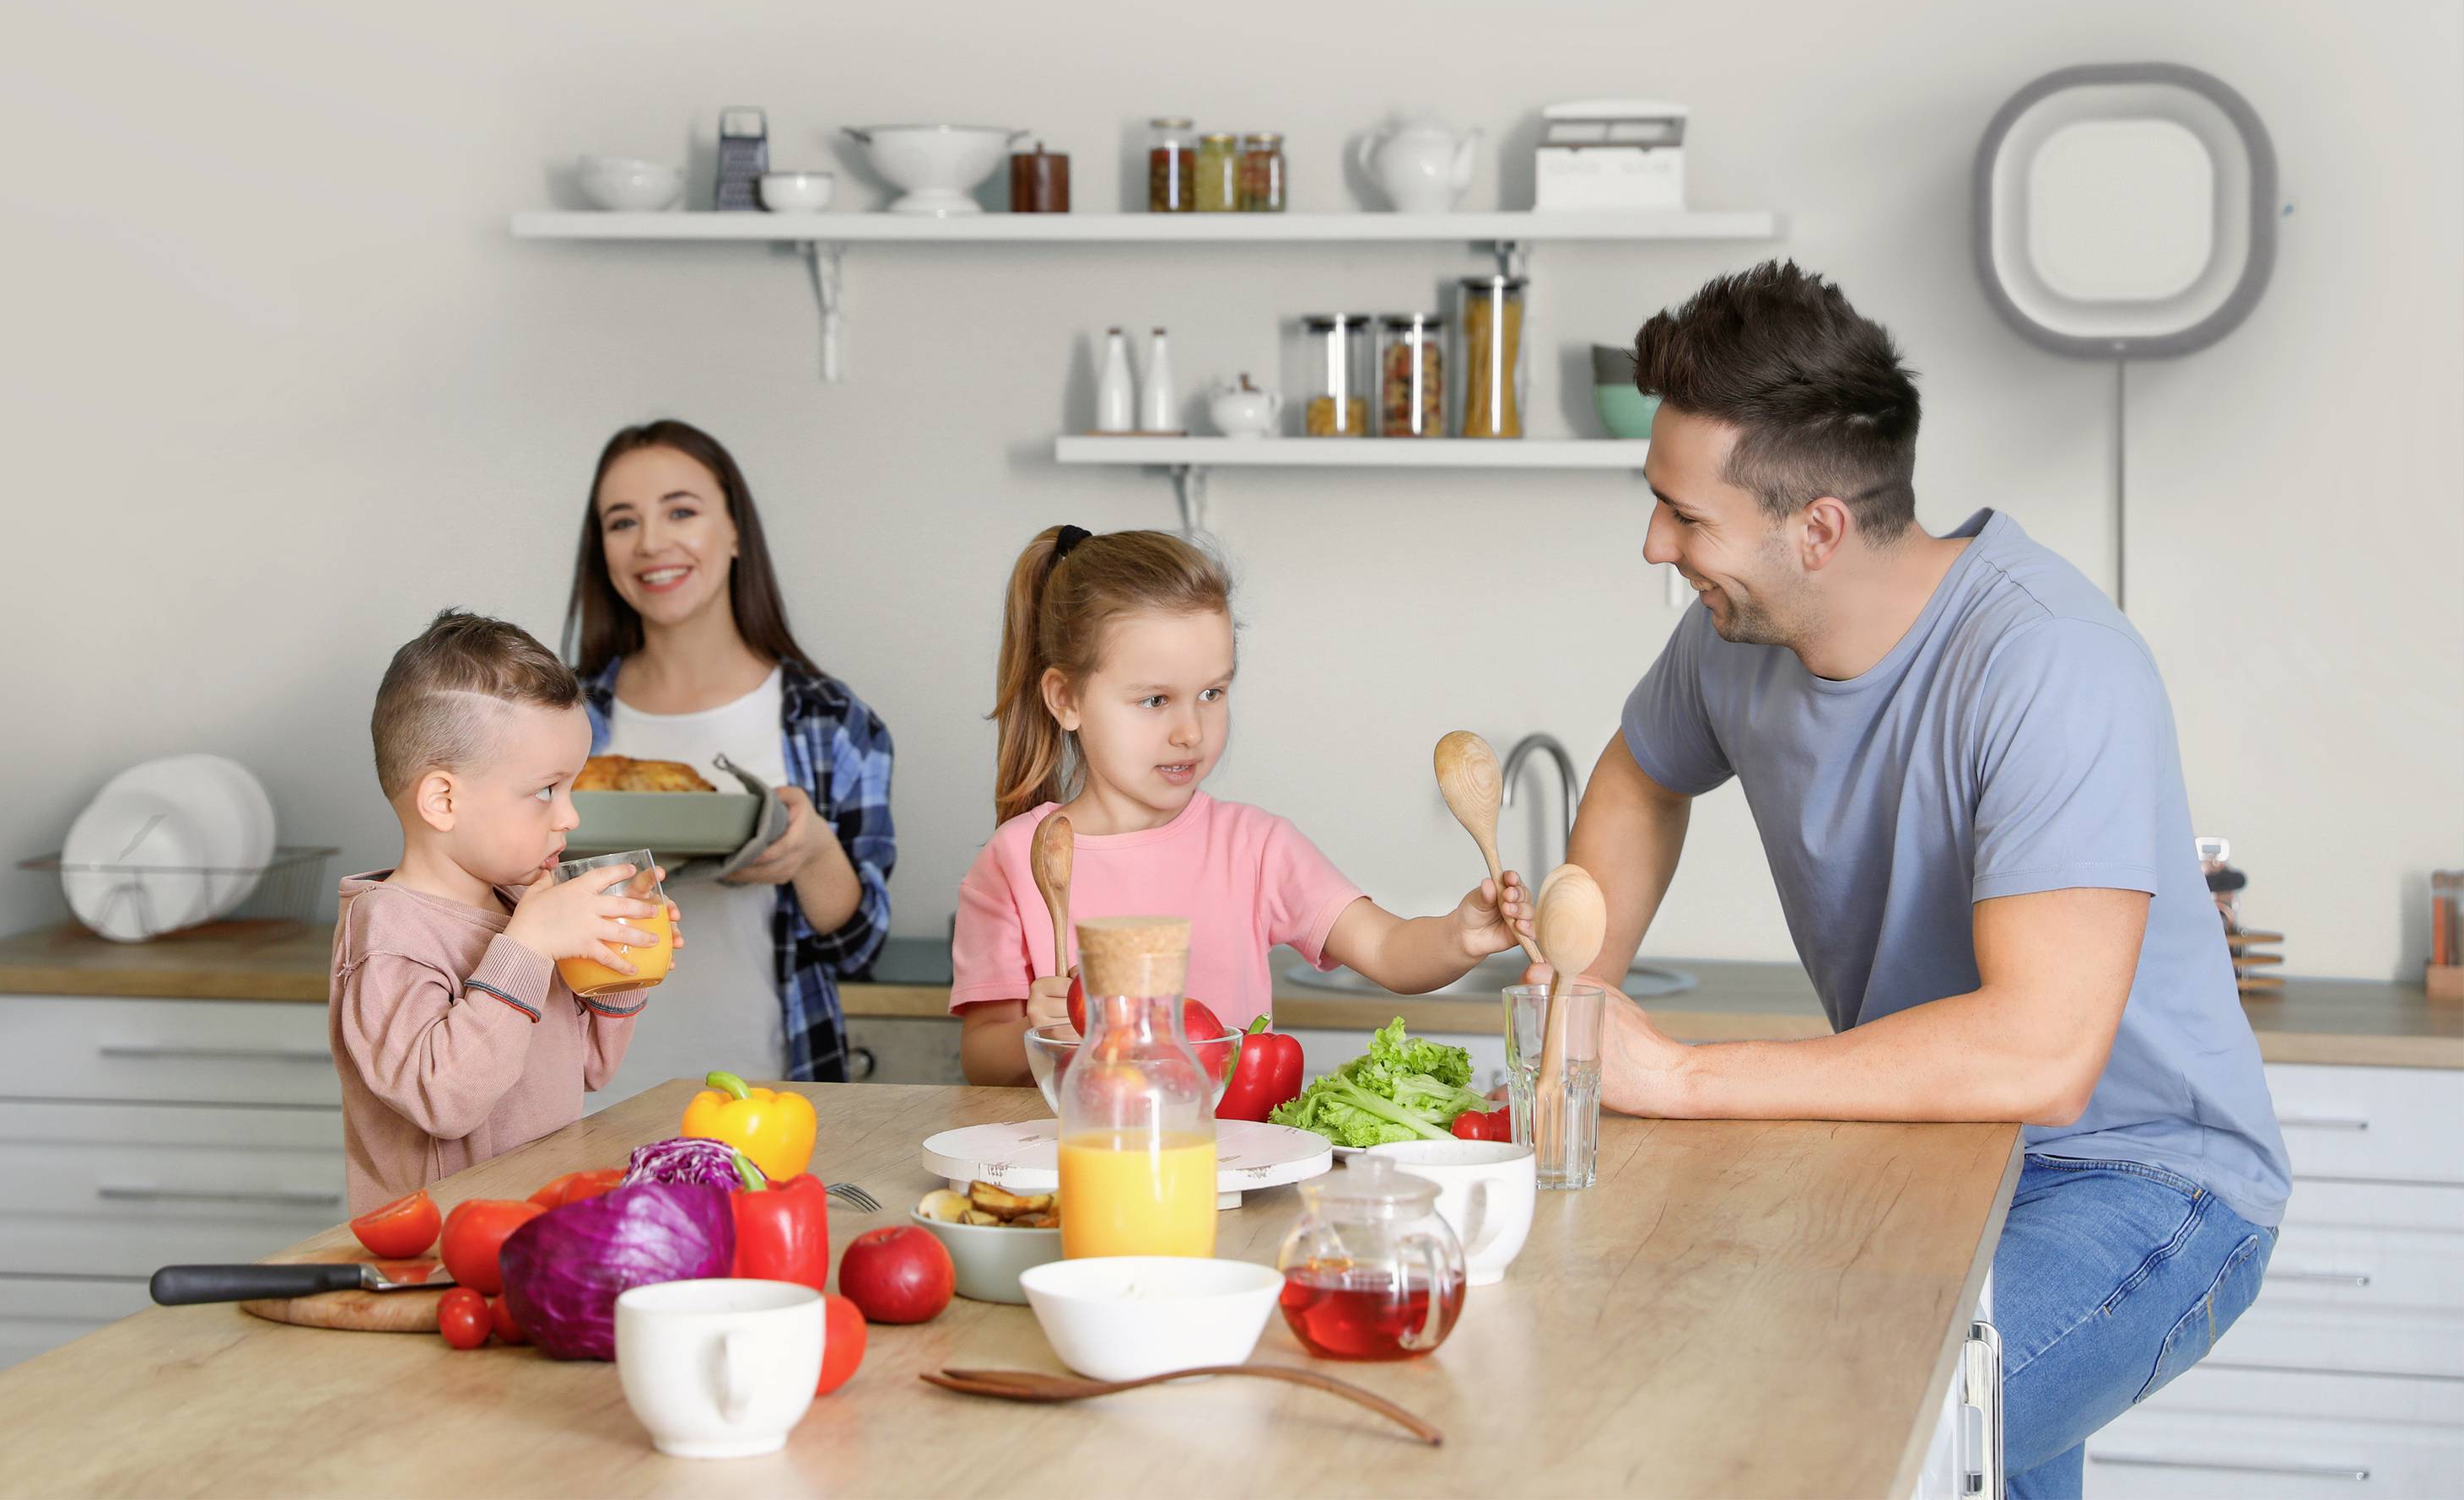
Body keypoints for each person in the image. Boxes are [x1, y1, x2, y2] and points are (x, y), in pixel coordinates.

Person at [1550, 262, 2288, 1497]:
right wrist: (1582, 1000)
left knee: (1843, 1441)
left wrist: (1677, 1075)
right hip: (1928, 1144)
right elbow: (1641, 771)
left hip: (2139, 1177)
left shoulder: (2051, 665)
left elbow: (2041, 1053)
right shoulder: (1736, 637)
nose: (1655, 544)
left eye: (1687, 517)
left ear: (1819, 530)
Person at [951, 525, 1534, 1086]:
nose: (1190, 731)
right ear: (1066, 699)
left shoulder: (1257, 848)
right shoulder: (1017, 860)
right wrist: (1038, 1028)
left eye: (1212, 693)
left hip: (1233, 1172)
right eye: (1155, 700)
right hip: (1081, 1169)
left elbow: (1386, 948)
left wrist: (1461, 937)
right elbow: (982, 1056)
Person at [568, 419, 893, 1085]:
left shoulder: (828, 721)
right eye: (622, 522)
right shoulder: (559, 719)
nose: (652, 543)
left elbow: (860, 950)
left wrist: (812, 850)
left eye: (681, 511)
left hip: (763, 1095)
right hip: (580, 1103)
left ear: (736, 529)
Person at [331, 609, 678, 1214]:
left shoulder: (523, 908)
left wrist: (621, 966)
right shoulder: (389, 934)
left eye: (571, 789)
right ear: (443, 800)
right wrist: (526, 950)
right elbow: (444, 1099)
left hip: (536, 1228)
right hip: (440, 1256)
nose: (569, 817)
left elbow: (591, 1068)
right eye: (547, 790)